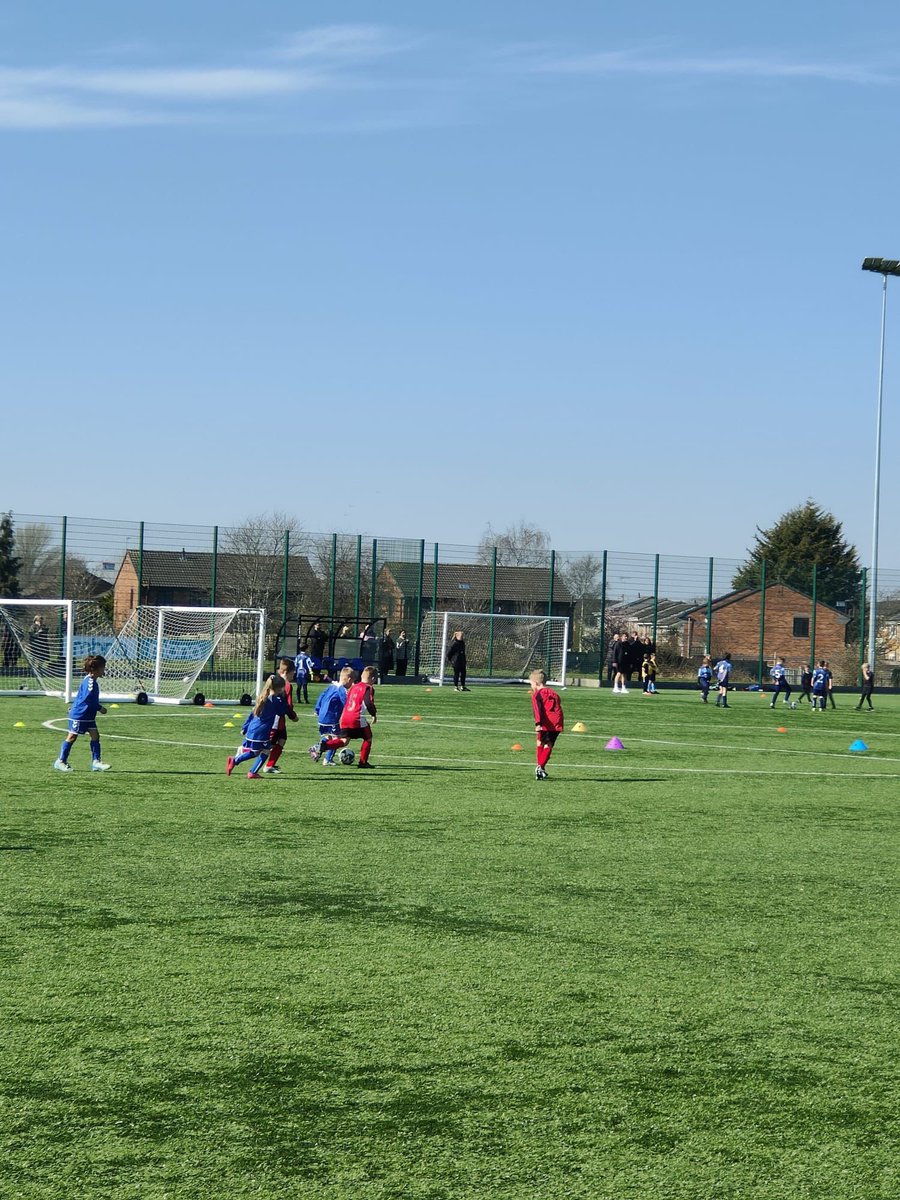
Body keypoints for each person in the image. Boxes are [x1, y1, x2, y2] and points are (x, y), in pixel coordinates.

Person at [53, 655, 111, 772]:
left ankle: (96, 762)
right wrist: (100, 708)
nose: (104, 670)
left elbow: (81, 697)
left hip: (88, 715)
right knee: (72, 737)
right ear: (97, 669)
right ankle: (61, 761)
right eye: (103, 667)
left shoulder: (91, 680)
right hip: (80, 715)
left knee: (95, 735)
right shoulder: (90, 682)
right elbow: (88, 699)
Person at [314, 664, 378, 768]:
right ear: (373, 679)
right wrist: (373, 714)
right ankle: (363, 762)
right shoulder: (368, 687)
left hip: (345, 718)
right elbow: (368, 702)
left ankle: (325, 745)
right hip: (357, 717)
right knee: (368, 737)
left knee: (344, 741)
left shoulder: (353, 687)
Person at [227, 674, 289, 779]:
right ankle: (246, 768)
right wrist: (283, 698)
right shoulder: (275, 700)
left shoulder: (262, 696)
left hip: (253, 728)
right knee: (265, 751)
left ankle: (241, 764)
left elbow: (253, 713)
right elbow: (283, 711)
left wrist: (245, 726)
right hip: (262, 731)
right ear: (279, 688)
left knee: (257, 751)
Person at [262, 659, 300, 774]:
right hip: (276, 719)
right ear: (287, 672)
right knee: (268, 744)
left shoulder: (273, 679)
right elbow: (287, 705)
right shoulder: (286, 685)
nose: (294, 674)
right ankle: (243, 753)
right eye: (293, 672)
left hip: (275, 718)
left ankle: (270, 765)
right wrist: (293, 716)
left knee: (282, 740)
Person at [311, 665, 354, 765]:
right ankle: (325, 757)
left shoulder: (331, 687)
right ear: (348, 679)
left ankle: (318, 752)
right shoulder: (341, 689)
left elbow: (322, 696)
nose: (352, 684)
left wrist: (317, 709)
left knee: (327, 737)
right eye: (351, 682)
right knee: (337, 739)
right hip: (332, 718)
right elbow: (346, 702)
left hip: (322, 717)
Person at [530, 668, 564, 780]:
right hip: (557, 721)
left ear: (535, 683)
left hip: (546, 721)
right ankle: (541, 768)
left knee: (540, 742)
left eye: (531, 684)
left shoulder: (537, 695)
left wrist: (538, 723)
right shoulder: (554, 693)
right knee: (548, 744)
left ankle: (540, 766)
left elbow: (537, 709)